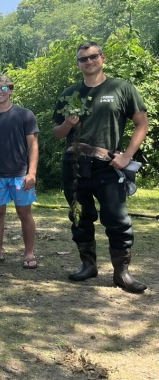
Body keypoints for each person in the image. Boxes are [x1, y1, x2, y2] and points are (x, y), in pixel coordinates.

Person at [53, 41, 149, 293]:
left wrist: (127, 156)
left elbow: (142, 124)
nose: (88, 62)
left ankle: (122, 273)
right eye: (82, 59)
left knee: (117, 218)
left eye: (92, 57)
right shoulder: (69, 93)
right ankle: (88, 265)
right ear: (78, 64)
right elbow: (57, 134)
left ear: (102, 58)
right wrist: (68, 123)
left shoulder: (121, 88)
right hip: (74, 164)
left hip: (108, 165)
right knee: (79, 215)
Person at [0, 75, 39, 268]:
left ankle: (29, 253)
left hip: (20, 174)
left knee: (24, 213)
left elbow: (33, 146)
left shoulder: (25, 115)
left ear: (10, 90)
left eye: (3, 88)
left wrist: (32, 172)